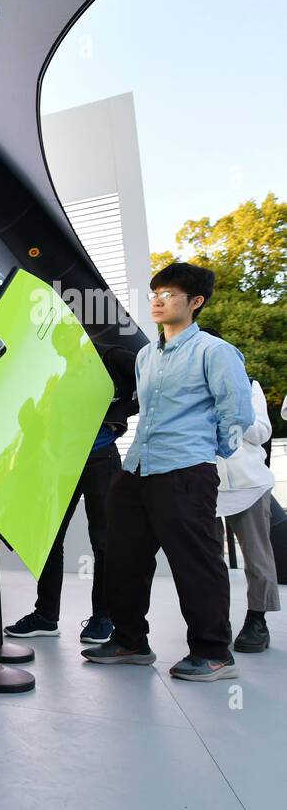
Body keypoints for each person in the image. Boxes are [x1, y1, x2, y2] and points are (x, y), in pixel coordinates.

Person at [84, 262, 254, 681]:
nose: (158, 300)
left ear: (195, 303)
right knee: (123, 557)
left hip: (185, 471)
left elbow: (236, 414)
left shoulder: (214, 352)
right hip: (138, 467)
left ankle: (214, 653)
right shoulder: (145, 355)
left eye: (170, 294)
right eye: (155, 292)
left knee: (195, 562)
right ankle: (130, 641)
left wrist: (200, 452)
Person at [4, 343, 136, 644]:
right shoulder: (56, 374)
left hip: (100, 457)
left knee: (103, 541)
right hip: (63, 463)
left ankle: (104, 618)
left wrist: (117, 417)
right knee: (50, 538)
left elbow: (141, 393)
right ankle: (46, 616)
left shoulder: (107, 364)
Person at [205, 332, 279, 652]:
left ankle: (257, 620)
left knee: (257, 558)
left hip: (249, 484)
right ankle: (213, 621)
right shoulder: (191, 390)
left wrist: (233, 413)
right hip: (205, 486)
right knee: (206, 560)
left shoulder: (248, 385)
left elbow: (262, 431)